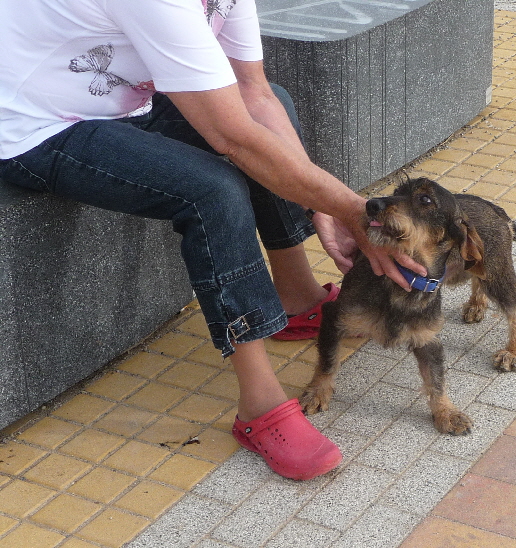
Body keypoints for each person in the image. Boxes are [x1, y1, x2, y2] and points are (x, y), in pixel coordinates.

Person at [0, 0, 425, 481]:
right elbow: (233, 138)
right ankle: (258, 404)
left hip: (122, 106)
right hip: (32, 124)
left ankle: (295, 295)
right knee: (212, 188)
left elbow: (256, 94)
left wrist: (324, 204)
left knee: (275, 105)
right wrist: (354, 213)